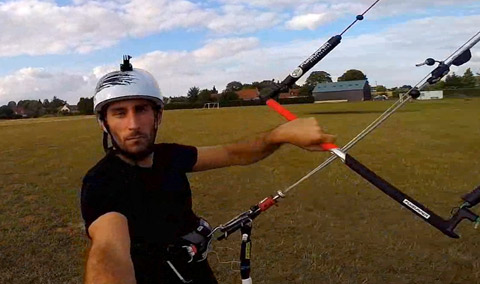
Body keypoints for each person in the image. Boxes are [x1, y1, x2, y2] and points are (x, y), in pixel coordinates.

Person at [80, 56, 336, 284]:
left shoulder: (170, 156)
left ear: (157, 115)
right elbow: (109, 252)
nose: (133, 124)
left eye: (141, 109)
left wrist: (279, 135)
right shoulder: (102, 182)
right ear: (104, 123)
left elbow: (232, 153)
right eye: (119, 113)